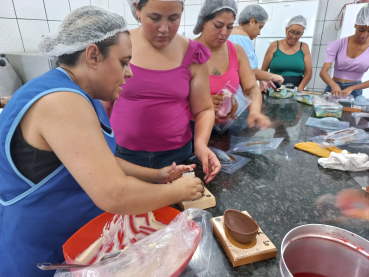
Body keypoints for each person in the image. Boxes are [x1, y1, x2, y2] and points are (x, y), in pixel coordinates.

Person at [0, 6, 205, 276]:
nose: (129, 73)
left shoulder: (82, 94)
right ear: (93, 55)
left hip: (73, 242)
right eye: (123, 62)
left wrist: (157, 175)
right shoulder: (61, 101)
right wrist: (179, 191)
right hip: (42, 251)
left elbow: (102, 161)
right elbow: (114, 194)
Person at [106, 0, 221, 182]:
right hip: (125, 156)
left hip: (176, 157)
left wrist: (200, 144)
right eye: (155, 18)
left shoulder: (193, 54)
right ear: (137, 9)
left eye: (173, 19)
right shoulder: (118, 46)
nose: (164, 29)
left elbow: (204, 109)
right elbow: (104, 105)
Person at [193, 0, 270, 130]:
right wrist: (202, 104)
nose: (224, 33)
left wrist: (255, 112)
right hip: (192, 129)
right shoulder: (188, 51)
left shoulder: (237, 52)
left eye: (229, 27)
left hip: (224, 128)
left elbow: (251, 88)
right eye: (218, 25)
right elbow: (171, 98)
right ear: (203, 23)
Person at [228, 4, 284, 91]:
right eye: (260, 27)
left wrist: (261, 77)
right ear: (252, 21)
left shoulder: (232, 33)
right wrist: (274, 76)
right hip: (235, 93)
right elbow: (249, 71)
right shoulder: (242, 38)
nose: (259, 33)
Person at [320, 4, 369, 97]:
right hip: (333, 87)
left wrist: (352, 88)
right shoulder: (338, 44)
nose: (364, 35)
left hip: (354, 91)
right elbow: (323, 72)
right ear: (355, 24)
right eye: (361, 30)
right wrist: (333, 84)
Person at [261, 15, 313, 91]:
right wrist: (262, 89)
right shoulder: (274, 45)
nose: (294, 36)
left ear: (302, 34)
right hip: (274, 90)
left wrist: (300, 88)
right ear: (286, 30)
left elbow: (308, 73)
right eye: (291, 32)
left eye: (298, 33)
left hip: (296, 91)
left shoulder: (304, 47)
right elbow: (263, 71)